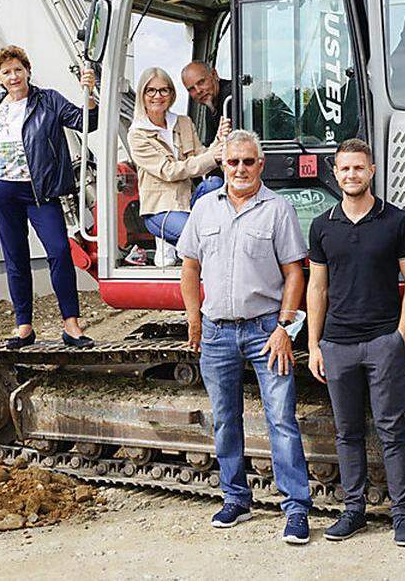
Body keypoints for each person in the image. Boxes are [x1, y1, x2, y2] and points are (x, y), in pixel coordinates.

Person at [177, 129, 312, 545]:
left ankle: (296, 510)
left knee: (282, 420)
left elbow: (294, 273)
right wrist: (194, 320)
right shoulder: (203, 209)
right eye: (232, 161)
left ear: (260, 164)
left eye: (248, 162)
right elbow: (190, 267)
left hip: (265, 331)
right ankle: (235, 498)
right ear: (223, 164)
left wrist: (285, 328)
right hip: (216, 332)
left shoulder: (278, 209)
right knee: (224, 420)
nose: (239, 169)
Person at [306, 138, 405, 546]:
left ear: (371, 171)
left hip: (382, 341)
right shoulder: (322, 225)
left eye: (359, 168)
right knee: (347, 431)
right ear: (335, 174)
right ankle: (353, 511)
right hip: (337, 344)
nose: (352, 175)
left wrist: (400, 337)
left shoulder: (397, 221)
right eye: (344, 169)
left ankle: (402, 517)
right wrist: (314, 345)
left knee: (392, 429)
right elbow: (317, 288)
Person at [0, 45, 97, 349]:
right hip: (3, 192)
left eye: (18, 69)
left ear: (28, 71)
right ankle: (24, 327)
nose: (14, 76)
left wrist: (91, 94)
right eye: (7, 72)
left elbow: (87, 123)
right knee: (15, 259)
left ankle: (71, 326)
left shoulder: (48, 100)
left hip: (40, 192)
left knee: (59, 252)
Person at [127, 66, 225, 250]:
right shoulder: (137, 134)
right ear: (142, 95)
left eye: (164, 90)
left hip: (188, 202)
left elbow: (201, 156)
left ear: (171, 94)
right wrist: (212, 156)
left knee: (214, 183)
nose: (158, 96)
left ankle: (183, 249)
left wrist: (218, 141)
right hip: (160, 209)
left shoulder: (183, 122)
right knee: (197, 237)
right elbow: (169, 171)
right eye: (151, 90)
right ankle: (179, 249)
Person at [181, 61, 232, 145]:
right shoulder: (210, 105)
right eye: (191, 89)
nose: (198, 91)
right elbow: (210, 144)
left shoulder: (232, 96)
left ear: (214, 75)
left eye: (201, 82)